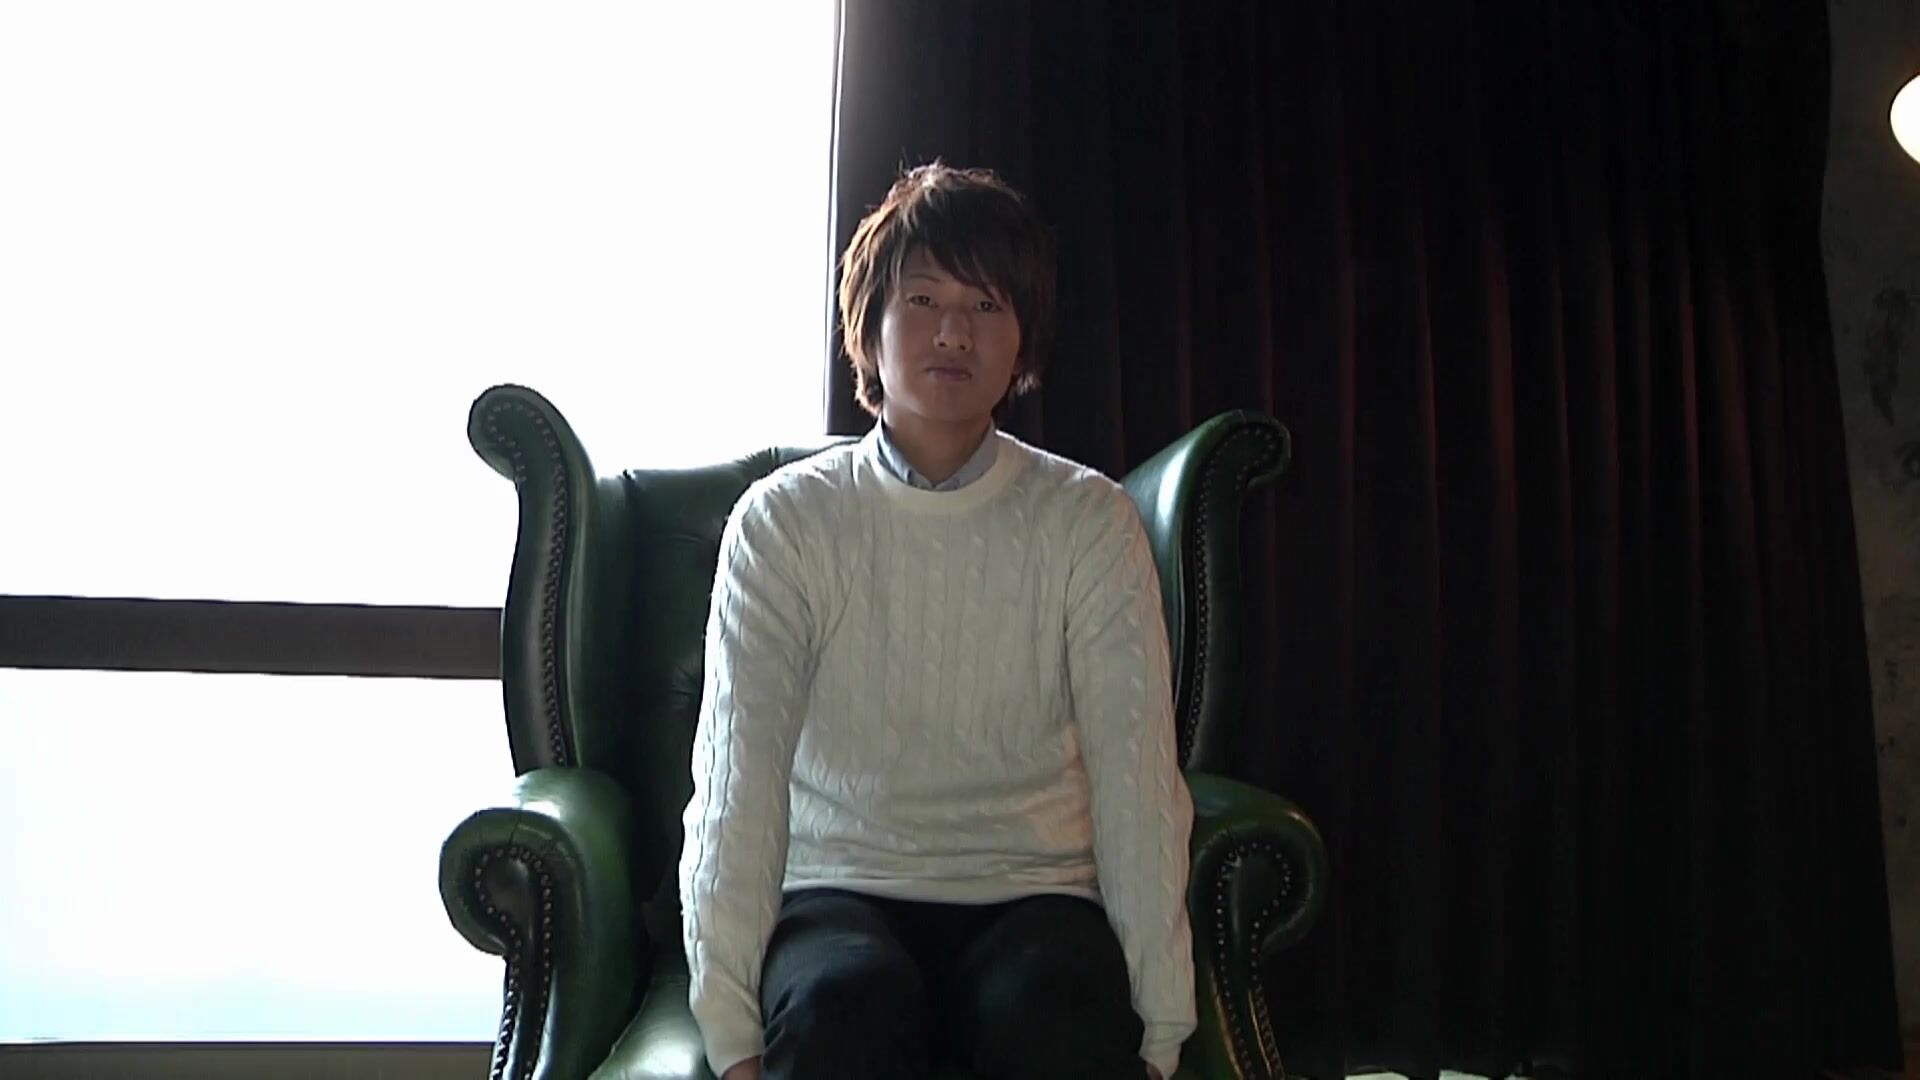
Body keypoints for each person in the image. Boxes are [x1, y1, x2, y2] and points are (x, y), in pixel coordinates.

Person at [678, 162, 1195, 1080]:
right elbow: (736, 786)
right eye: (922, 299)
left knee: (1056, 1019)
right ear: (869, 324)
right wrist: (731, 1036)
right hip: (837, 887)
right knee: (844, 1011)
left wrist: (1162, 1027)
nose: (954, 332)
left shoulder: (1090, 521)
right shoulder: (784, 521)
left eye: (987, 305)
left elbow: (1138, 778)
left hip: (1035, 890)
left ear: (1023, 335)